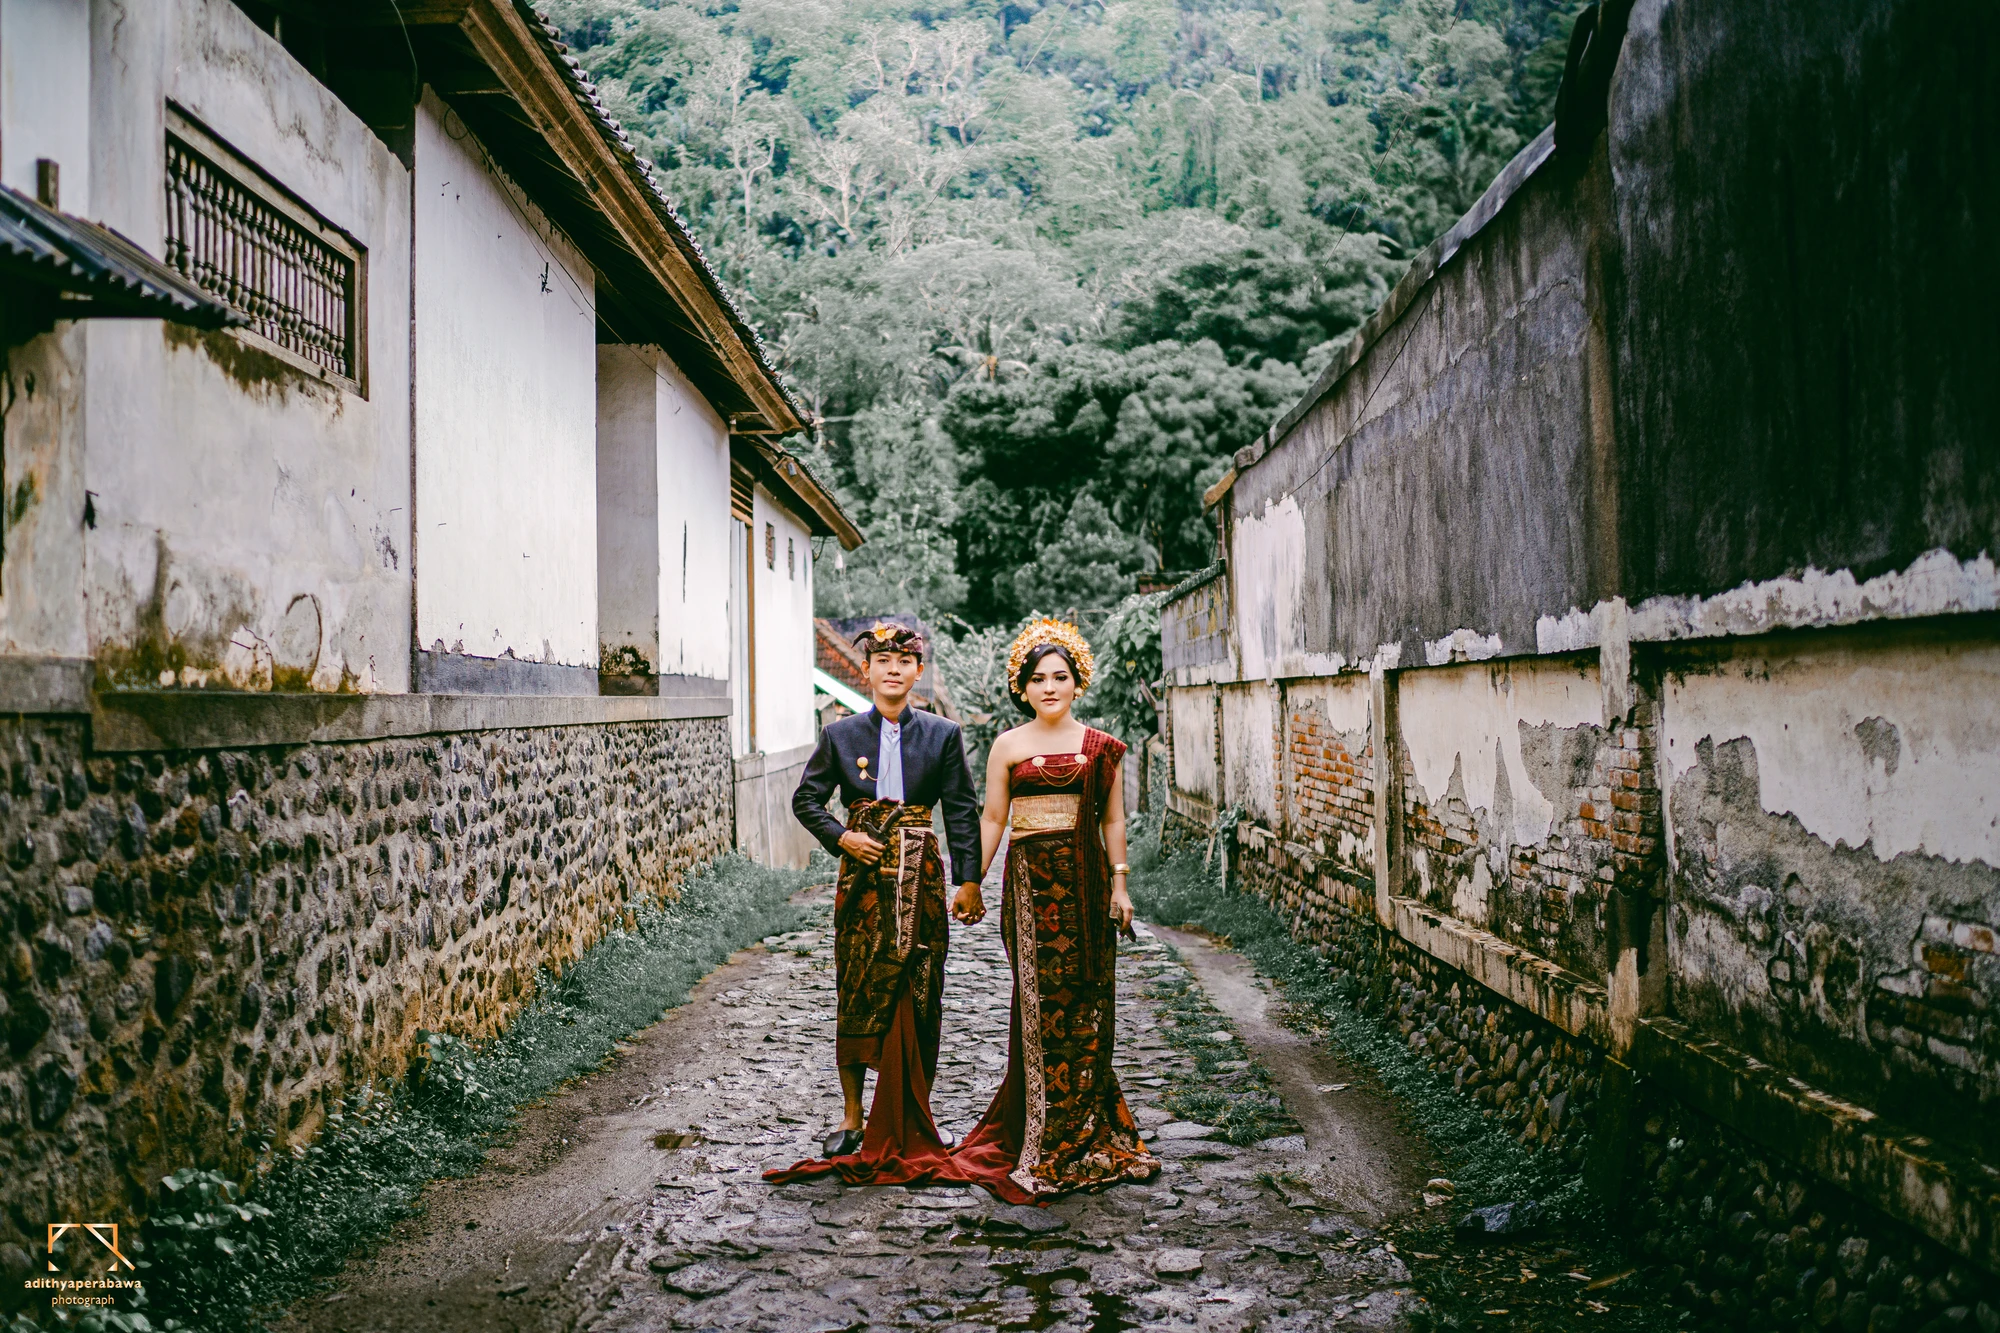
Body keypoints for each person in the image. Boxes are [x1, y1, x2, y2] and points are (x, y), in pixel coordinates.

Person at [949, 617, 1160, 1199]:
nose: (1049, 687)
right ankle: (1038, 1121)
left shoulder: (1102, 748)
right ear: (1022, 688)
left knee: (1088, 998)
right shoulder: (1008, 746)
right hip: (1028, 890)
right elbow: (993, 818)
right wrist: (970, 882)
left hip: (1086, 887)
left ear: (1077, 683)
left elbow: (1112, 821)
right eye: (1038, 678)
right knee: (1037, 1002)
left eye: (1060, 677)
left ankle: (1087, 1120)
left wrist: (1120, 886)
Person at [767, 621, 984, 1180]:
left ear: (917, 671)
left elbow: (962, 810)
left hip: (922, 878)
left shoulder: (942, 735)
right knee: (858, 984)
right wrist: (843, 837)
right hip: (861, 882)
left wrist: (969, 880)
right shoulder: (840, 736)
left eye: (904, 661)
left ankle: (915, 1113)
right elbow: (807, 799)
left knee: (921, 987)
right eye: (882, 661)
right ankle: (853, 1116)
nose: (893, 669)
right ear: (866, 670)